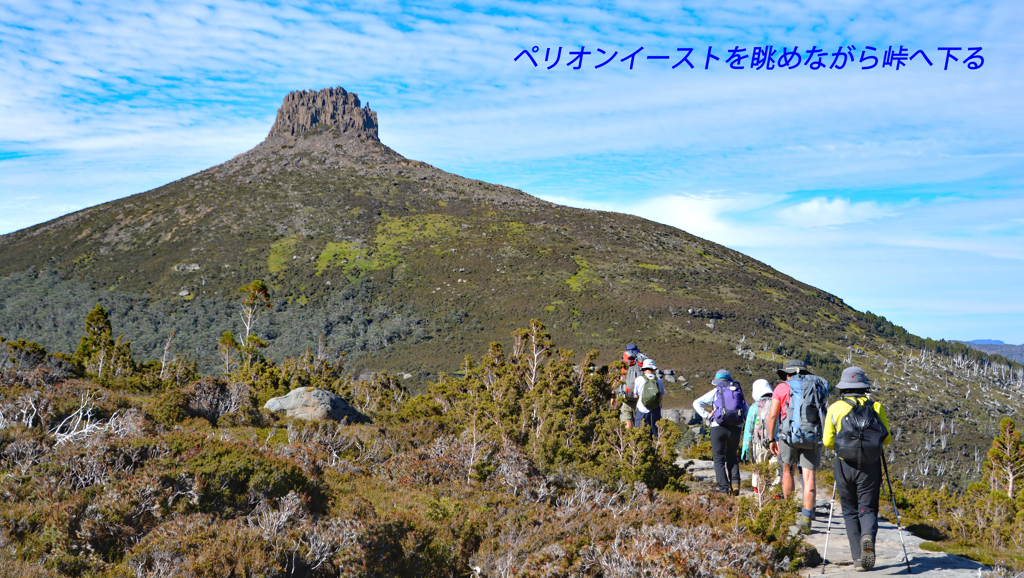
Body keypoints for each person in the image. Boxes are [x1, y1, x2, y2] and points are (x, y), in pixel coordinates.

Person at [824, 367, 893, 572]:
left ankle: (857, 559)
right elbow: (886, 438)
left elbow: (827, 440)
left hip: (844, 464)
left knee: (849, 511)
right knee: (868, 508)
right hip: (870, 465)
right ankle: (868, 537)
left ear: (843, 389)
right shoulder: (876, 406)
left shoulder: (835, 408)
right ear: (864, 388)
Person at [767, 359, 830, 533]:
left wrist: (771, 439)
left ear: (788, 374)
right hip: (811, 435)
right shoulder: (816, 386)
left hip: (787, 436)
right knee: (809, 477)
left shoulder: (781, 388)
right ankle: (807, 518)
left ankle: (788, 511)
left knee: (787, 470)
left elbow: (773, 416)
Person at [693, 370, 749, 495]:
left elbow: (696, 403)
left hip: (717, 426)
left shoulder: (715, 392)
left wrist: (707, 416)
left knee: (718, 459)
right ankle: (735, 484)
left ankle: (723, 490)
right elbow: (747, 409)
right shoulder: (737, 392)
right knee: (732, 456)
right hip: (735, 427)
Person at [741, 378, 778, 491]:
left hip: (759, 444)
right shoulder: (776, 403)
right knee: (776, 468)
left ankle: (759, 491)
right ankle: (775, 492)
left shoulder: (754, 407)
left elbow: (748, 429)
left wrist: (745, 450)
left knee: (758, 469)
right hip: (776, 442)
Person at [612, 344, 648, 429]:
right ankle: (636, 440)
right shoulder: (642, 362)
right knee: (638, 424)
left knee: (626, 422)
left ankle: (626, 440)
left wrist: (612, 396)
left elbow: (615, 380)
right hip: (640, 398)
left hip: (626, 396)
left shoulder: (624, 362)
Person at [633, 358, 664, 437]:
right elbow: (661, 397)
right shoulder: (659, 380)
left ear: (644, 369)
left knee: (640, 433)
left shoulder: (638, 379)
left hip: (642, 409)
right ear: (653, 369)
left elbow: (635, 395)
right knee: (655, 434)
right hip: (655, 410)